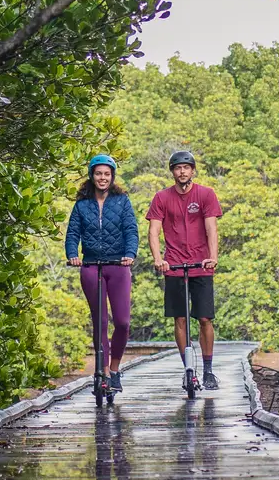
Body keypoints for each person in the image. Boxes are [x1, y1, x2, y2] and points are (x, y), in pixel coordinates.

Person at [147, 149, 222, 390]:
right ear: (172, 172)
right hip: (175, 264)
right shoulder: (161, 198)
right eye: (178, 168)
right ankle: (188, 369)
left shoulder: (206, 194)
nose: (182, 172)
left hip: (201, 264)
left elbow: (211, 228)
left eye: (186, 168)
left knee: (204, 318)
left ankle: (208, 370)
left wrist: (213, 257)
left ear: (192, 171)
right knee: (179, 318)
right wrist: (159, 259)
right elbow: (154, 231)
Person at [64, 154, 138, 395]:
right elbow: (73, 233)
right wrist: (72, 254)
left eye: (107, 174)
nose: (102, 178)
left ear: (112, 176)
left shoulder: (122, 201)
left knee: (123, 322)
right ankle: (103, 371)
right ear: (92, 176)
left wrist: (130, 253)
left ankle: (115, 369)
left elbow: (131, 230)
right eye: (98, 173)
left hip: (118, 265)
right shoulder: (82, 204)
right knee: (100, 322)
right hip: (91, 266)